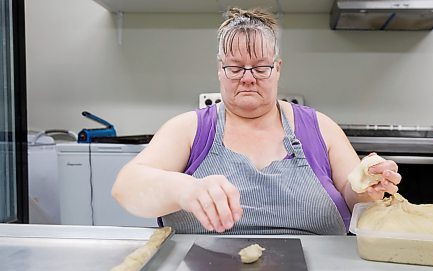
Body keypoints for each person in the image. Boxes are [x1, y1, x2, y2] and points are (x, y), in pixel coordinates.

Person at [112, 7, 401, 235]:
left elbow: (356, 198)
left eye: (261, 67)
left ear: (277, 69)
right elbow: (126, 187)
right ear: (219, 70)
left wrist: (370, 185)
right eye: (235, 68)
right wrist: (184, 189)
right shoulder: (188, 129)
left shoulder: (320, 128)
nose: (248, 78)